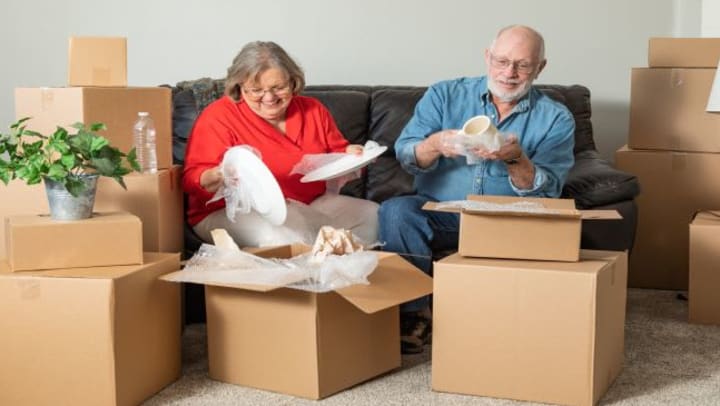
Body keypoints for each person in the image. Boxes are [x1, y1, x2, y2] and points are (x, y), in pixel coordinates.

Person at [379, 25, 575, 354]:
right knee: (396, 211)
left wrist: (516, 159)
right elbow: (406, 152)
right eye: (501, 61)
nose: (509, 73)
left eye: (523, 65)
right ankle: (412, 315)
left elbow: (548, 192)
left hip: (509, 220)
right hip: (443, 214)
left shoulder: (556, 118)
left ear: (540, 67)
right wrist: (436, 144)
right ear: (487, 57)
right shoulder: (445, 95)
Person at [183, 41, 379, 247]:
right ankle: (314, 272)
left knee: (372, 215)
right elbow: (191, 180)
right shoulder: (218, 116)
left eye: (278, 87)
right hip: (233, 212)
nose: (269, 97)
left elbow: (336, 151)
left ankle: (341, 273)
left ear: (293, 82)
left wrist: (350, 153)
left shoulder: (313, 109)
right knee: (284, 238)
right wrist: (220, 174)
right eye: (256, 90)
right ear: (239, 86)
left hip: (307, 204)